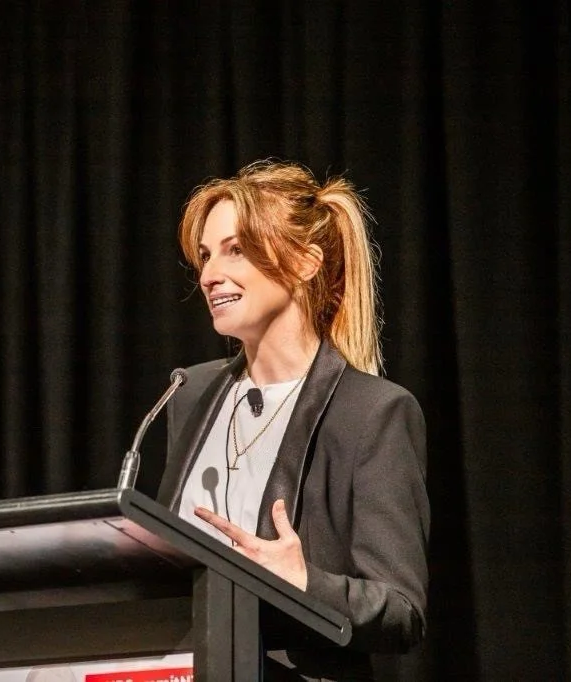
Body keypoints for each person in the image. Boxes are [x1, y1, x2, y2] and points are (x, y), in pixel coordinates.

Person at [156, 159, 430, 681]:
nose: (210, 274)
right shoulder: (189, 394)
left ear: (305, 262)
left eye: (235, 250)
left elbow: (401, 611)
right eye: (206, 255)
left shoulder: (372, 413)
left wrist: (303, 581)